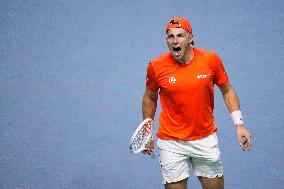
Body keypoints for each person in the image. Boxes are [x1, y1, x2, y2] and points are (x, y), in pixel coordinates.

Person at [141, 16, 251, 189]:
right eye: (171, 36)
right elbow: (150, 96)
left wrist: (239, 124)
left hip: (205, 140)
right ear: (167, 40)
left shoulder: (211, 60)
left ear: (190, 38)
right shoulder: (156, 66)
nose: (175, 41)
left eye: (180, 35)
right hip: (171, 143)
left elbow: (227, 90)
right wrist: (146, 131)